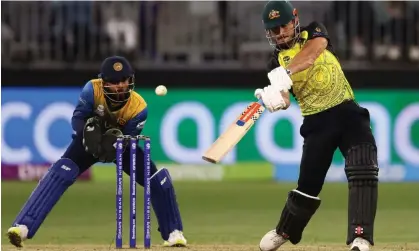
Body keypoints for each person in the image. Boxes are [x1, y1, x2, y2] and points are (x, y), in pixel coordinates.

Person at [7, 56, 187, 248]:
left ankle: (174, 233)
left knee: (156, 178)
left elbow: (128, 140)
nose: (119, 86)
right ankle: (23, 226)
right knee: (62, 170)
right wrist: (88, 134)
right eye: (114, 82)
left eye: (123, 81)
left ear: (130, 80)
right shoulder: (92, 89)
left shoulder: (139, 107)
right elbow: (77, 119)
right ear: (104, 82)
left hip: (120, 145)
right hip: (89, 140)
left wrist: (113, 146)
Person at [255, 1, 378, 251]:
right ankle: (284, 231)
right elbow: (286, 99)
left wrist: (286, 72)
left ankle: (360, 236)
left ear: (295, 20)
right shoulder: (273, 65)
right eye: (274, 30)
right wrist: (274, 99)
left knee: (363, 168)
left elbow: (313, 53)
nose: (280, 34)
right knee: (307, 186)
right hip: (316, 123)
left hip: (348, 113)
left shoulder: (313, 31)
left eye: (284, 26)